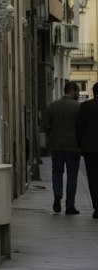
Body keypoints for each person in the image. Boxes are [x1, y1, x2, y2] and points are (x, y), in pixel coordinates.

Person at [43, 81, 82, 214]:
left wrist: (52, 136)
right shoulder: (78, 107)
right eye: (77, 91)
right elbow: (81, 127)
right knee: (72, 175)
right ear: (72, 91)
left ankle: (57, 195)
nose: (78, 94)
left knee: (57, 171)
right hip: (73, 146)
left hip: (56, 145)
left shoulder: (52, 106)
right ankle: (70, 205)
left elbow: (46, 126)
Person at [76, 82, 98, 219]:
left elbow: (79, 128)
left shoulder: (85, 106)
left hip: (90, 149)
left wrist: (80, 145)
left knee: (93, 178)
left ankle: (97, 207)